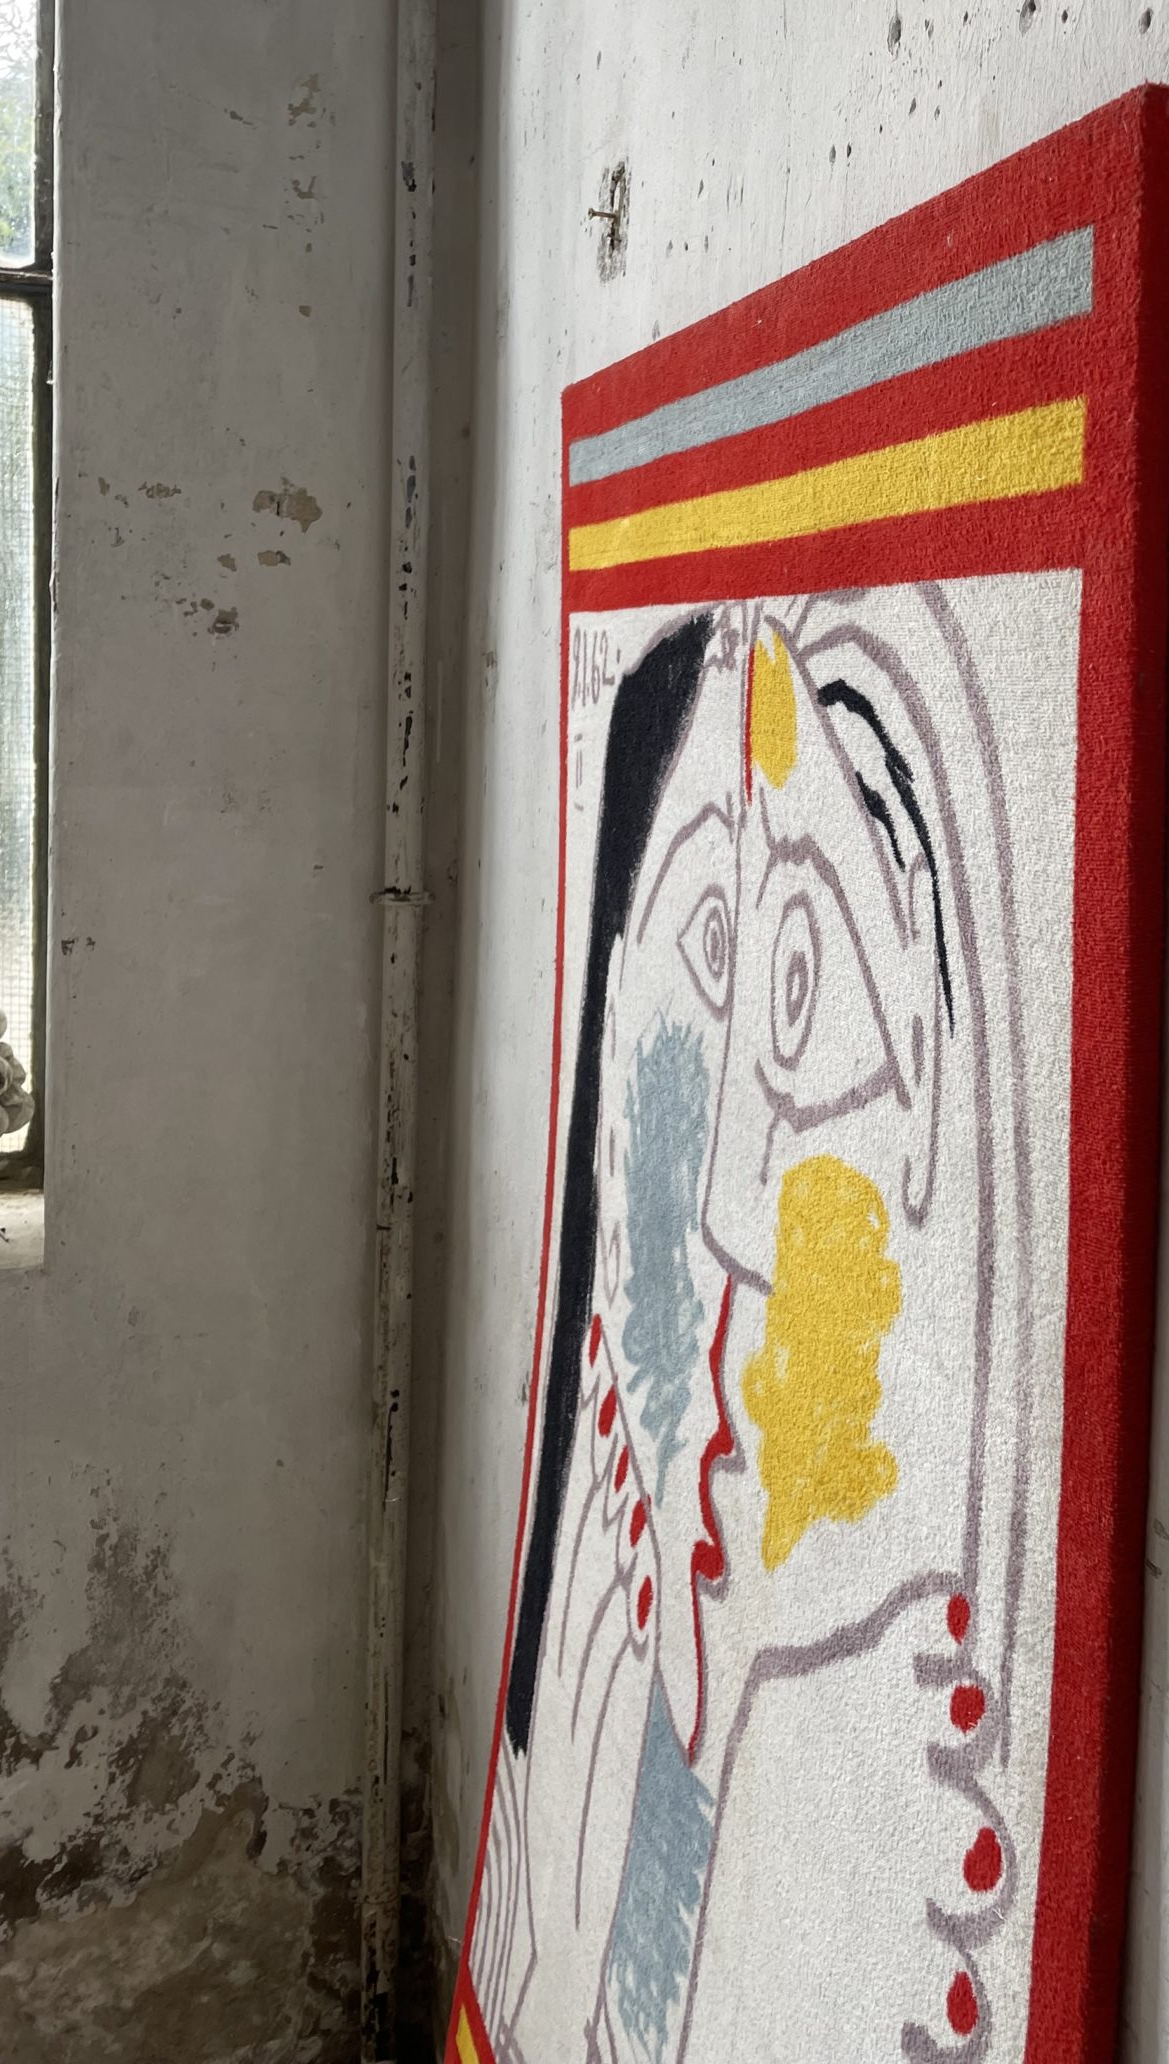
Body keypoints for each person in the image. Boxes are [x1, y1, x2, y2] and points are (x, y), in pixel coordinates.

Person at [468, 586, 1036, 2063]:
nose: (736, 1209)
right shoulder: (586, 1727)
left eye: (803, 995)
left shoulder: (828, 1733)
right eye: (714, 948)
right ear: (612, 1004)